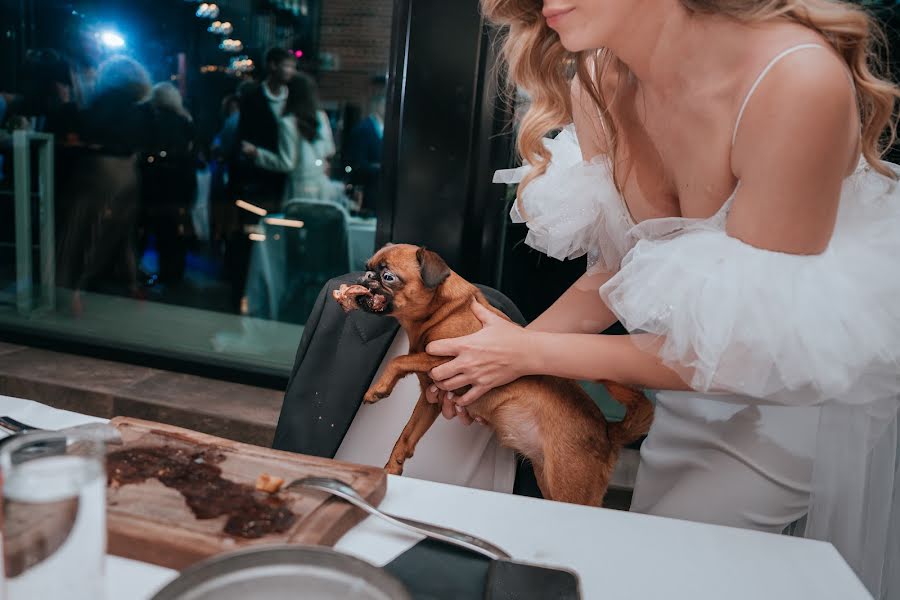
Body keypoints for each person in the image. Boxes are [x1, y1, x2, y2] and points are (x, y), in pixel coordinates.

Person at [424, 1, 900, 597]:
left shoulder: (794, 80)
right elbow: (617, 274)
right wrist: (496, 357)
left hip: (794, 410)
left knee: (651, 582)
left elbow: (746, 355)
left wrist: (526, 356)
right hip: (681, 393)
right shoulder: (600, 75)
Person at [241, 73, 340, 204]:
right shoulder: (321, 116)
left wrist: (257, 153)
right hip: (322, 186)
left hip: (299, 190)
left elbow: (287, 163)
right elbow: (330, 150)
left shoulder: (287, 122)